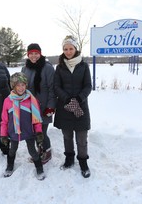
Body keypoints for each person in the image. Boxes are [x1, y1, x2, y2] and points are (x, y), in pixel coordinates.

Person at [53, 35, 92, 178]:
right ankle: (69, 158)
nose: (68, 51)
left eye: (70, 48)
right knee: (67, 136)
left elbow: (88, 86)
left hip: (81, 107)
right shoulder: (60, 67)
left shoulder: (83, 66)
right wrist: (67, 98)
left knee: (81, 138)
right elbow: (56, 86)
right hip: (65, 107)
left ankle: (83, 162)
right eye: (65, 49)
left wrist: (79, 98)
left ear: (76, 49)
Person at [0, 72, 46, 180]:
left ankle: (39, 167)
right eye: (18, 85)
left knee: (32, 151)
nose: (21, 88)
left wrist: (39, 132)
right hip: (13, 131)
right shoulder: (7, 101)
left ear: (26, 85)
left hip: (28, 131)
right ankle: (10, 166)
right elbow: (4, 120)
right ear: (13, 86)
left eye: (23, 85)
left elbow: (37, 119)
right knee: (12, 150)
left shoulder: (31, 100)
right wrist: (3, 134)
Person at [21, 43, 56, 164]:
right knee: (34, 131)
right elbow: (21, 87)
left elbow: (52, 88)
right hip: (29, 106)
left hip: (44, 106)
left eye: (36, 53)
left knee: (41, 132)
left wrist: (51, 106)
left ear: (40, 54)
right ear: (28, 54)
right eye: (31, 53)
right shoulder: (25, 68)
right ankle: (40, 151)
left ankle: (47, 151)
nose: (34, 56)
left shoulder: (48, 68)